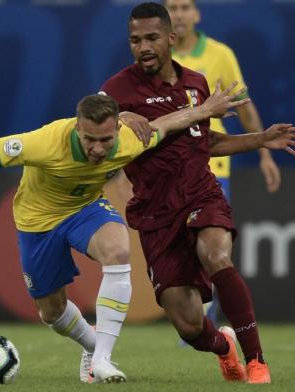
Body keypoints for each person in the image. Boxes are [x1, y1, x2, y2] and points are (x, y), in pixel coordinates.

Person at [0, 93, 249, 384]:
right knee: (51, 312)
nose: (99, 148)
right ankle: (91, 344)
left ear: (117, 128)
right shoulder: (44, 142)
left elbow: (166, 124)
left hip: (86, 209)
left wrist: (205, 110)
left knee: (117, 249)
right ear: (77, 128)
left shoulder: (129, 138)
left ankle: (102, 359)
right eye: (90, 140)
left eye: (106, 139)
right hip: (38, 222)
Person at [99, 2, 294, 384]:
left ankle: (257, 361)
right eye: (135, 40)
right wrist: (120, 117)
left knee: (216, 254)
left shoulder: (196, 83)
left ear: (171, 39)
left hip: (201, 191)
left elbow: (205, 142)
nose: (144, 47)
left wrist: (260, 140)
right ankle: (224, 347)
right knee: (188, 325)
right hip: (156, 211)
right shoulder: (117, 90)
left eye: (152, 38)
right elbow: (93, 131)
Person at [164, 0, 281, 328]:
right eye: (172, 7)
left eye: (185, 7)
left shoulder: (220, 54)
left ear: (197, 14)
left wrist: (264, 153)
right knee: (178, 248)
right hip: (171, 165)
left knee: (210, 243)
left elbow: (243, 106)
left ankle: (207, 316)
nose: (179, 14)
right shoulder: (158, 58)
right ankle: (194, 316)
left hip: (212, 164)